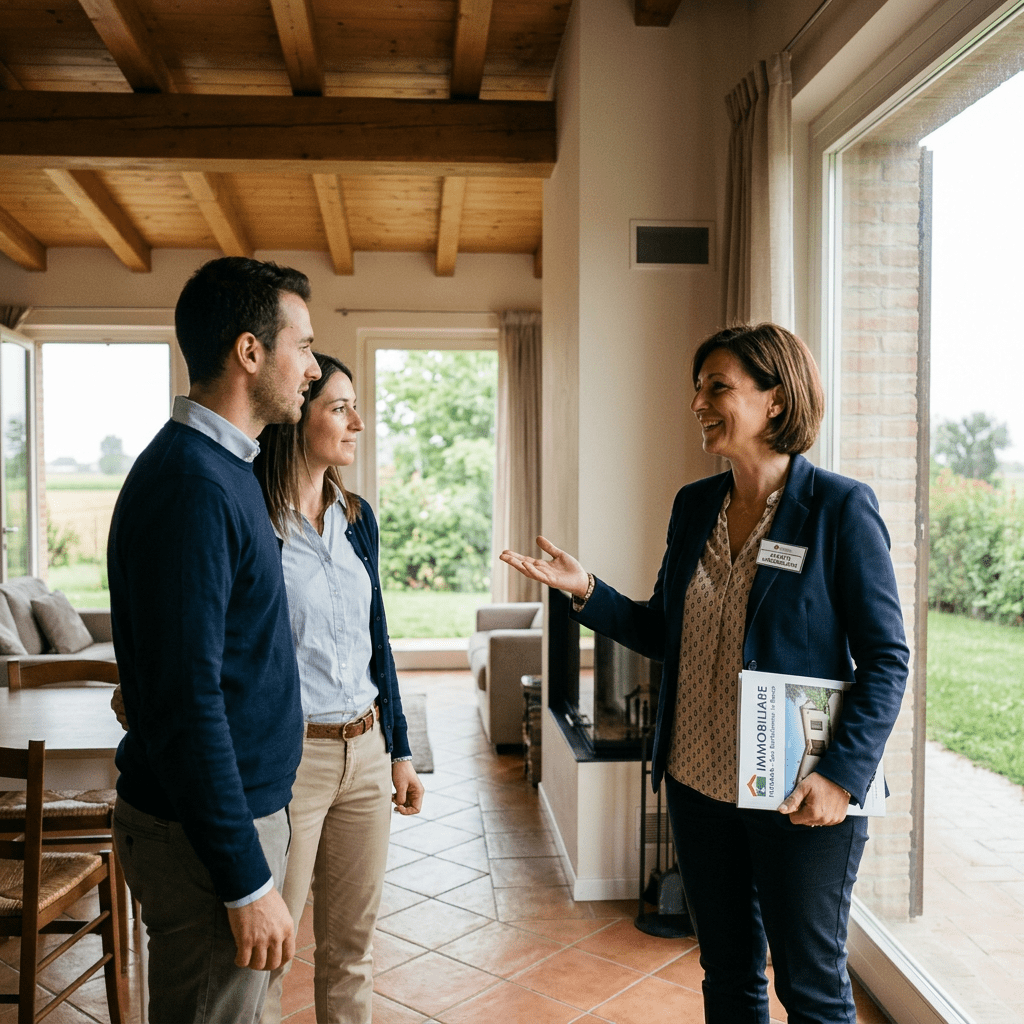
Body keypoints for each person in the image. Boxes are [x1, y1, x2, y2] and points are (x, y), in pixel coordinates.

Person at [500, 323, 908, 1024]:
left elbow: (886, 657)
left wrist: (841, 776)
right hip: (698, 783)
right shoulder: (695, 507)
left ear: (775, 401)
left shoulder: (839, 509)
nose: (697, 402)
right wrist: (585, 590)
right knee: (727, 975)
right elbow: (664, 629)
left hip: (798, 791)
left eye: (716, 386)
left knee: (810, 989)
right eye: (698, 387)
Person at [108, 256, 321, 1023]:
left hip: (229, 817)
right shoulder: (193, 486)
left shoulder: (224, 470)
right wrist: (243, 878)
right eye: (302, 345)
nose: (313, 367)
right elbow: (187, 703)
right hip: (206, 842)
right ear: (250, 352)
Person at [254, 352, 424, 1024]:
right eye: (338, 406)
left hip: (365, 749)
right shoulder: (255, 521)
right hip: (289, 762)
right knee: (270, 951)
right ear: (298, 416)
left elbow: (377, 637)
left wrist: (400, 749)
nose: (358, 421)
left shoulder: (357, 516)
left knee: (352, 948)